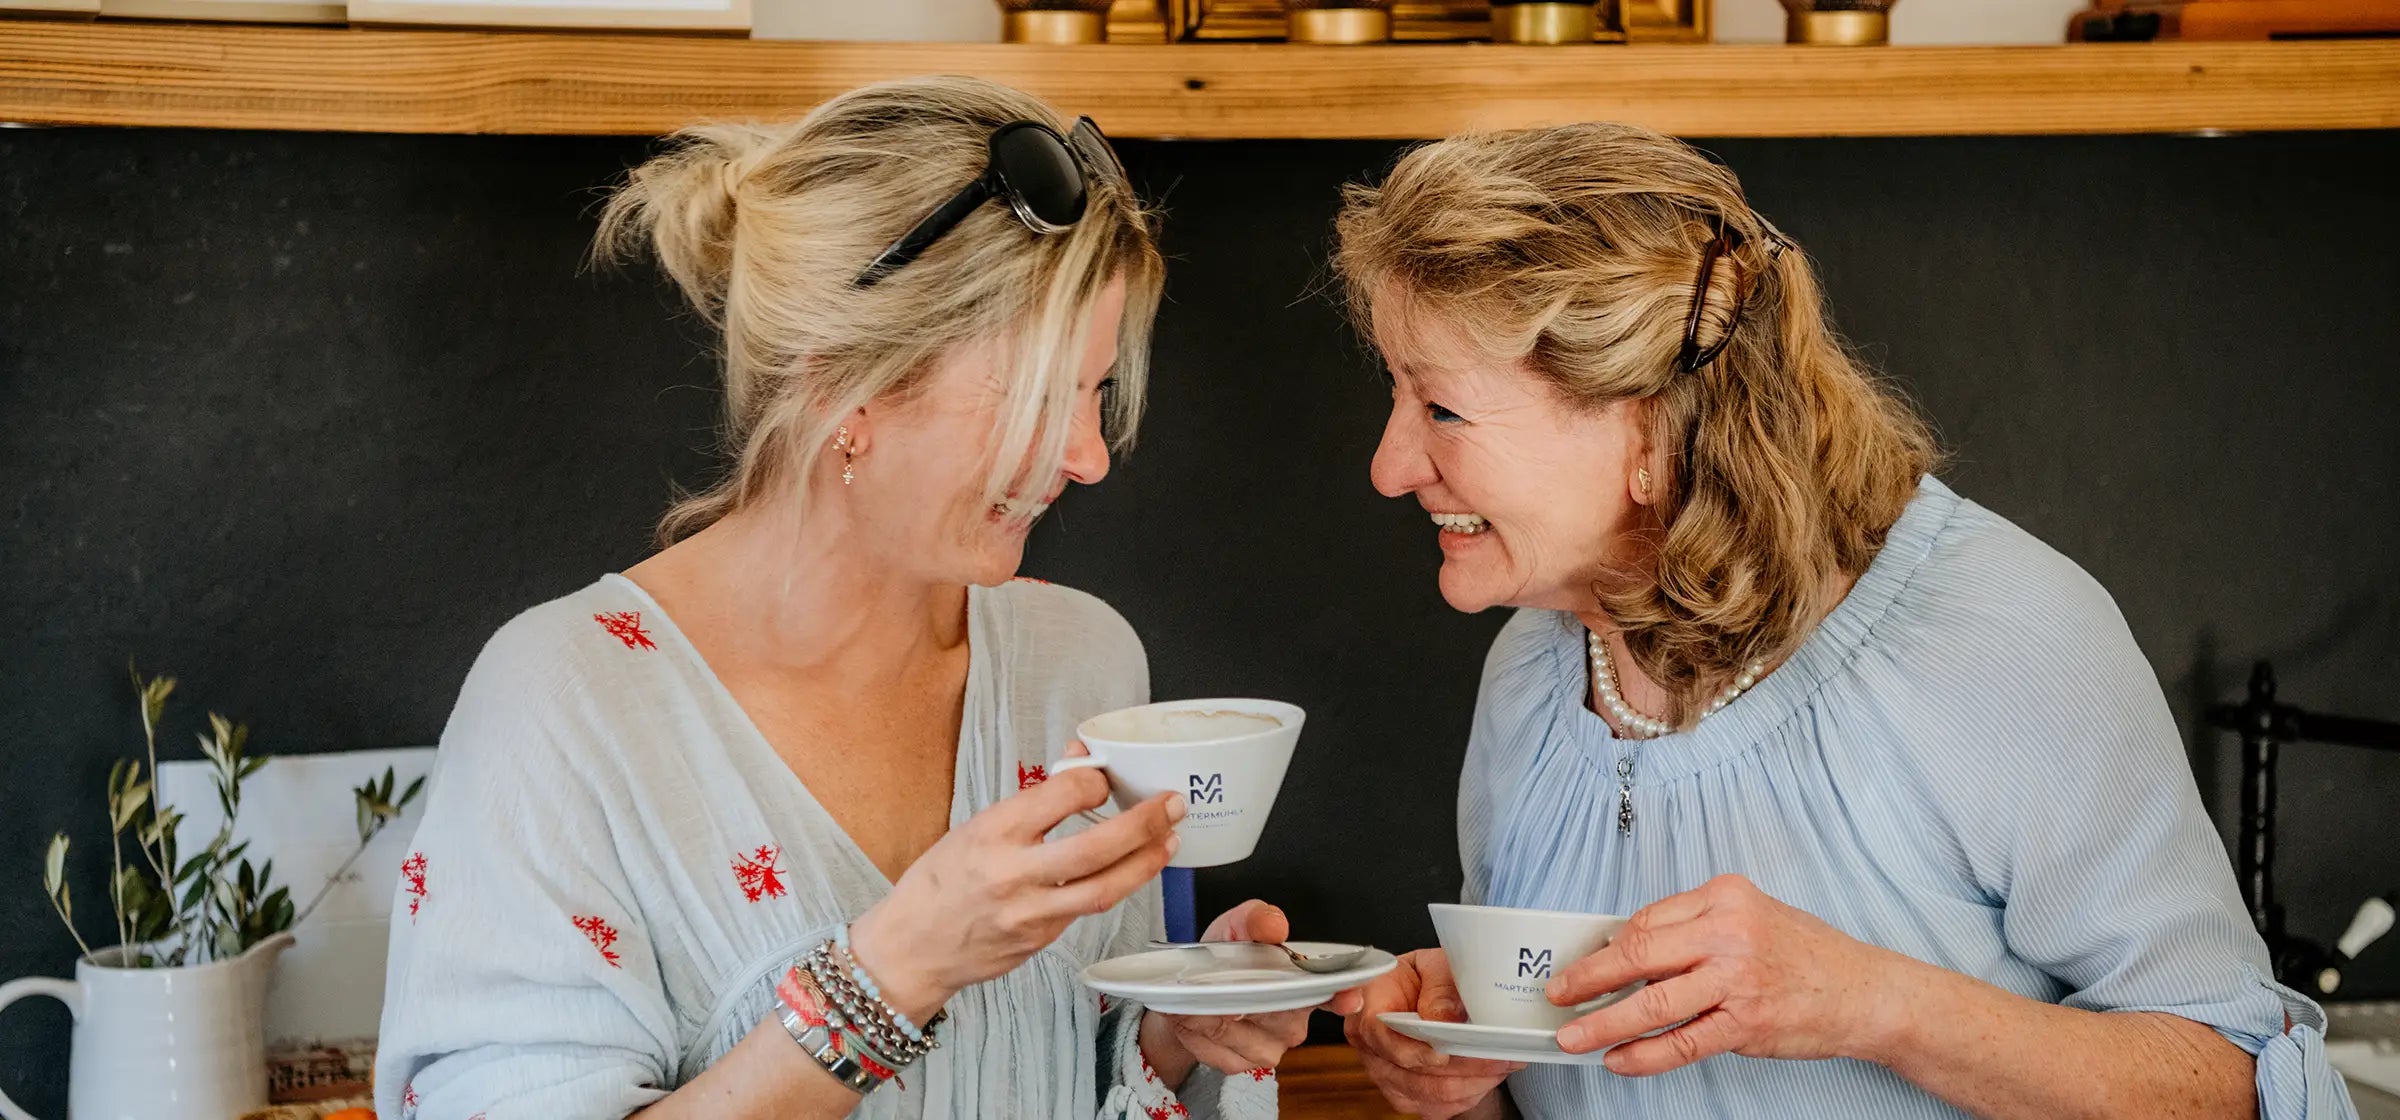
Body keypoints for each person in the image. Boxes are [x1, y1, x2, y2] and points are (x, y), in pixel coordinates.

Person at [1334, 122, 2358, 1120]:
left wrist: (1876, 1003)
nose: (1388, 466)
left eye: (1443, 409)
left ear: (1647, 428)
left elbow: (2230, 1083)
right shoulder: (1532, 672)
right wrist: (1459, 1086)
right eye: (1396, 390)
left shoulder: (1998, 638)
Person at [375, 76, 1351, 1120]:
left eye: (1093, 391)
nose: (1088, 455)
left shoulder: (1080, 661)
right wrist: (893, 972)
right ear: (846, 380)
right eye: (1035, 395)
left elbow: (1073, 1076)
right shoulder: (564, 708)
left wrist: (1169, 1039)